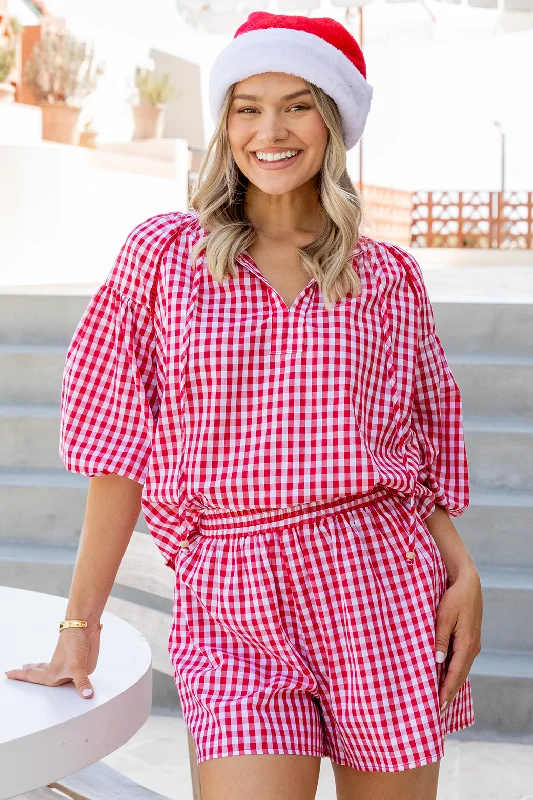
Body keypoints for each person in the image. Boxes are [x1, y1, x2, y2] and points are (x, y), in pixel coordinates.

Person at [5, 11, 483, 800]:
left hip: (382, 590)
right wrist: (77, 630)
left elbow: (412, 453)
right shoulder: (163, 258)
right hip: (232, 597)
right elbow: (115, 454)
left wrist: (461, 570)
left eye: (297, 104)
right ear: (224, 121)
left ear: (331, 122)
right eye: (246, 106)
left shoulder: (388, 276)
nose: (270, 129)